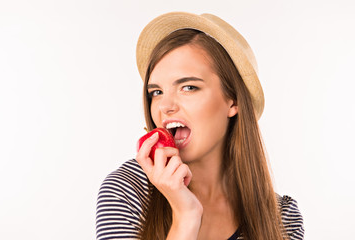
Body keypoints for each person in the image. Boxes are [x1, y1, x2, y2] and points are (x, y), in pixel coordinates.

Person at [96, 12, 304, 240]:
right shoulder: (127, 190)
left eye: (188, 87)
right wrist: (186, 217)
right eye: (156, 92)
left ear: (232, 100)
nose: (165, 106)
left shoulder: (283, 218)